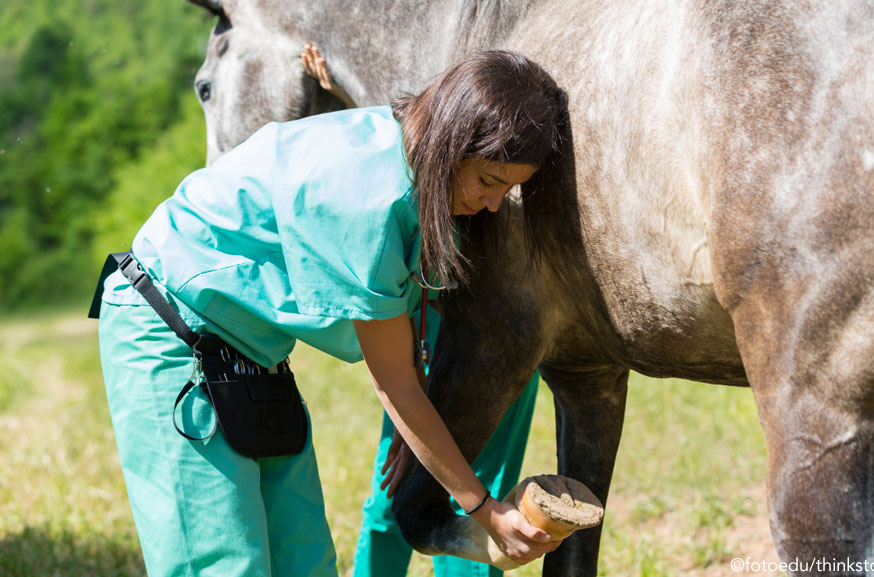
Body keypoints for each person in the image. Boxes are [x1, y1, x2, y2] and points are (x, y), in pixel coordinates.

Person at [95, 49, 566, 577]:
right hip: (171, 329)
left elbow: (405, 338)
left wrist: (426, 439)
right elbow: (395, 383)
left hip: (254, 352)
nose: (495, 205)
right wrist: (483, 508)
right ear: (453, 139)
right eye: (488, 181)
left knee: (307, 565)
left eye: (508, 188)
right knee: (224, 566)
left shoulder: (414, 159)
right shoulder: (367, 196)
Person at [301, 44, 542, 577]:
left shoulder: (503, 153)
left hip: (501, 338)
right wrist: (338, 94)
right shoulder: (414, 169)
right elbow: (391, 146)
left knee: (483, 496)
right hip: (419, 339)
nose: (493, 200)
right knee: (395, 489)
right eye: (488, 185)